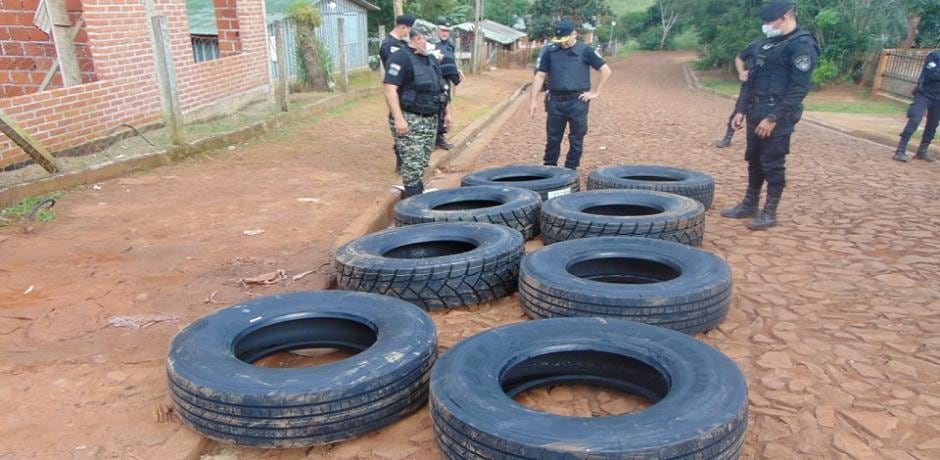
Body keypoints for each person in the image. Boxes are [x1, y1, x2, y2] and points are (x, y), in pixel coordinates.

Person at [721, 0, 819, 231]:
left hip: (779, 115)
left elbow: (799, 89)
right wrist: (740, 110)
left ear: (785, 16)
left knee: (772, 163)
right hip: (756, 110)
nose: (766, 26)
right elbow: (750, 81)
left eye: (769, 21)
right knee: (753, 159)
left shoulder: (802, 45)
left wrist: (773, 117)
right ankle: (749, 204)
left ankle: (770, 212)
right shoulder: (766, 45)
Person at [529, 19, 613, 170]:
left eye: (566, 40)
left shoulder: (585, 50)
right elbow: (540, 76)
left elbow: (605, 70)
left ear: (574, 34)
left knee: (576, 138)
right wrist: (533, 100)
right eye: (560, 40)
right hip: (555, 101)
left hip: (577, 101)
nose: (563, 44)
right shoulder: (550, 51)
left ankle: (571, 169)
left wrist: (595, 92)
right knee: (553, 138)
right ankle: (550, 169)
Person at [383, 30, 451, 198]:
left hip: (430, 118)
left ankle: (415, 194)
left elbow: (441, 88)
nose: (428, 44)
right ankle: (413, 204)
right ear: (417, 38)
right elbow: (390, 89)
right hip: (410, 117)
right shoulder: (400, 57)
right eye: (426, 40)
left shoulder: (431, 59)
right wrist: (399, 119)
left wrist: (447, 113)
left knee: (421, 162)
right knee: (413, 164)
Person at [380, 14, 416, 173]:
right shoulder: (389, 45)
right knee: (398, 121)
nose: (409, 33)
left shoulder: (402, 43)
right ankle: (401, 162)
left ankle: (409, 159)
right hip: (397, 89)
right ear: (403, 27)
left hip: (409, 89)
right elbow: (394, 68)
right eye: (408, 29)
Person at [893, 49, 940, 162]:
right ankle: (900, 150)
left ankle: (922, 151)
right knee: (915, 119)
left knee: (933, 125)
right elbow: (930, 74)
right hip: (924, 93)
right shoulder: (934, 56)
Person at [716, 40, 761, 148]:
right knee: (739, 110)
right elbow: (739, 58)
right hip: (750, 84)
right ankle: (727, 138)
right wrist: (741, 72)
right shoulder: (756, 44)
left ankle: (760, 143)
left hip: (770, 88)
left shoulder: (783, 46)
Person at [434, 17, 463, 151]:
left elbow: (451, 60)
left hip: (445, 80)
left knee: (444, 104)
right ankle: (432, 139)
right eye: (443, 30)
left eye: (447, 31)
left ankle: (440, 138)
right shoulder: (431, 44)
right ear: (437, 29)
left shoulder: (450, 44)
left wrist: (457, 70)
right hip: (433, 80)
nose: (445, 33)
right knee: (433, 108)